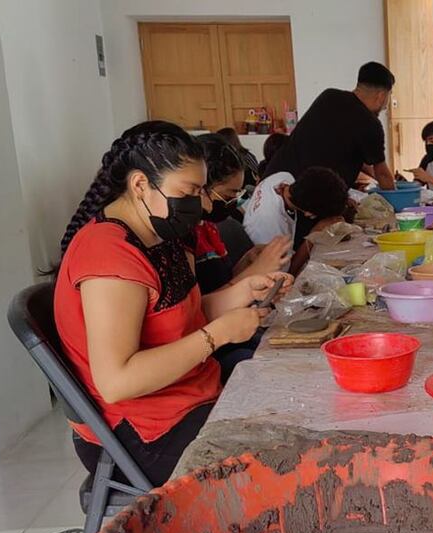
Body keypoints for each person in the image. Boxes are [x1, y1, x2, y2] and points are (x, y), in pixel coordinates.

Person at [53, 121, 292, 486]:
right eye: (189, 191)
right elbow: (117, 381)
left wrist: (245, 291)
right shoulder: (108, 255)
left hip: (189, 394)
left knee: (296, 401)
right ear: (139, 185)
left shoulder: (161, 235)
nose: (199, 203)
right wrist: (216, 336)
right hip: (143, 431)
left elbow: (184, 315)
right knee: (287, 462)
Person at [263, 62, 396, 191]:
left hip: (271, 185)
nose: (385, 106)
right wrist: (396, 200)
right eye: (389, 97)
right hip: (299, 198)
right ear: (381, 95)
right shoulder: (370, 124)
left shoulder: (328, 96)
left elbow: (351, 151)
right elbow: (382, 173)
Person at [193, 134, 289, 295]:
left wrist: (247, 261)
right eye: (228, 195)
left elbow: (223, 281)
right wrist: (256, 270)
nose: (234, 202)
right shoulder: (185, 239)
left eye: (237, 194)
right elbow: (204, 306)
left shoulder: (208, 228)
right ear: (202, 187)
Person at [286, 166, 351, 274]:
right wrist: (315, 233)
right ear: (309, 213)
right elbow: (287, 273)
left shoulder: (285, 180)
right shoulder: (275, 225)